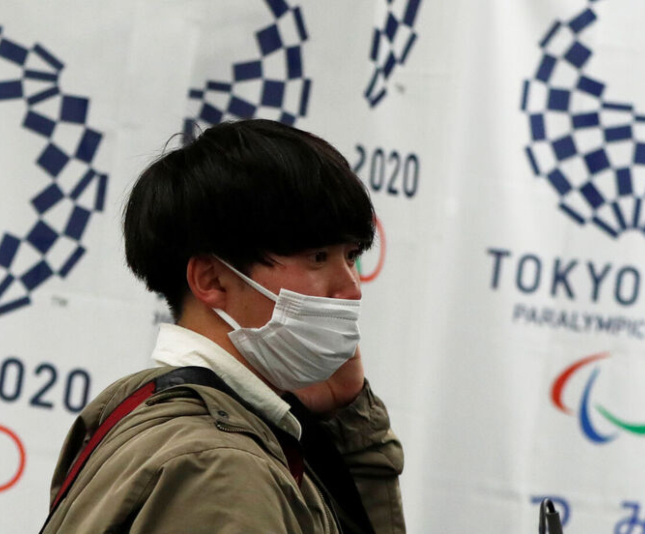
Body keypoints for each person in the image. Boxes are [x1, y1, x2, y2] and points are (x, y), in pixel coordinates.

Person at [41, 119, 404, 533]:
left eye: (352, 256)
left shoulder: (137, 408)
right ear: (212, 280)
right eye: (318, 257)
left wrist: (347, 427)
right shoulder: (222, 469)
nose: (351, 287)